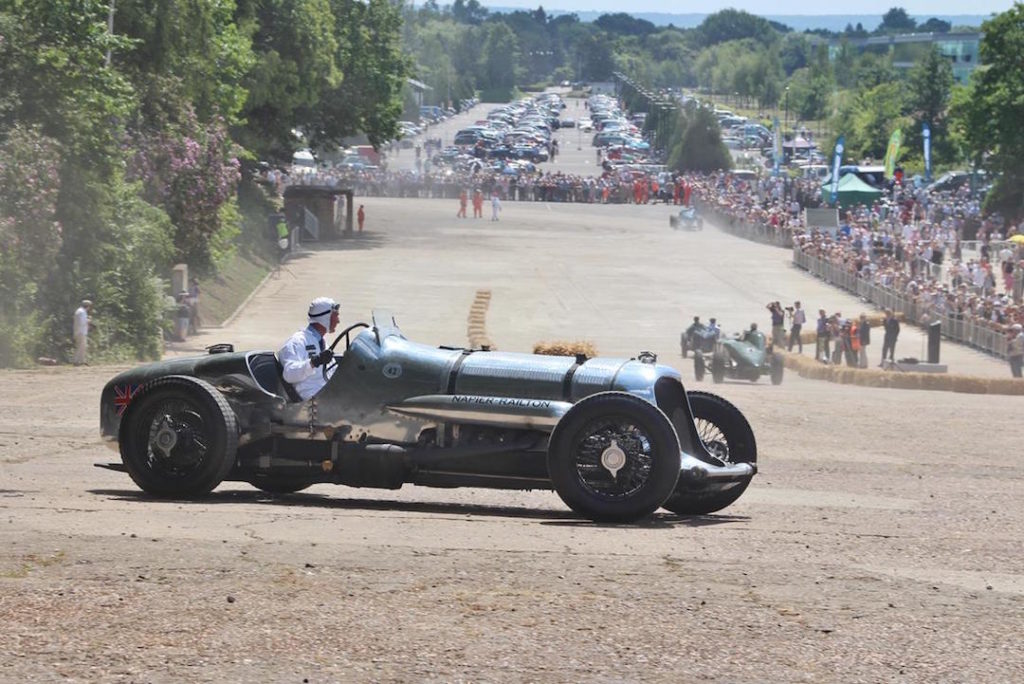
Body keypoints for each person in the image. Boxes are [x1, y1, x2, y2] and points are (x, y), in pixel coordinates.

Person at [277, 297, 341, 400]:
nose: (338, 321)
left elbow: (330, 372)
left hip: (328, 396)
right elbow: (289, 374)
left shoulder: (321, 342)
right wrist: (313, 362)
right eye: (335, 316)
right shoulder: (297, 341)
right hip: (313, 403)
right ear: (325, 317)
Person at [72, 299, 93, 366]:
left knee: (82, 347)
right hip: (81, 332)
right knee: (80, 347)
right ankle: (77, 361)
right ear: (87, 306)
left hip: (79, 331)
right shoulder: (82, 312)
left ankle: (81, 361)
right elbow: (82, 322)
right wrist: (88, 320)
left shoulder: (79, 311)